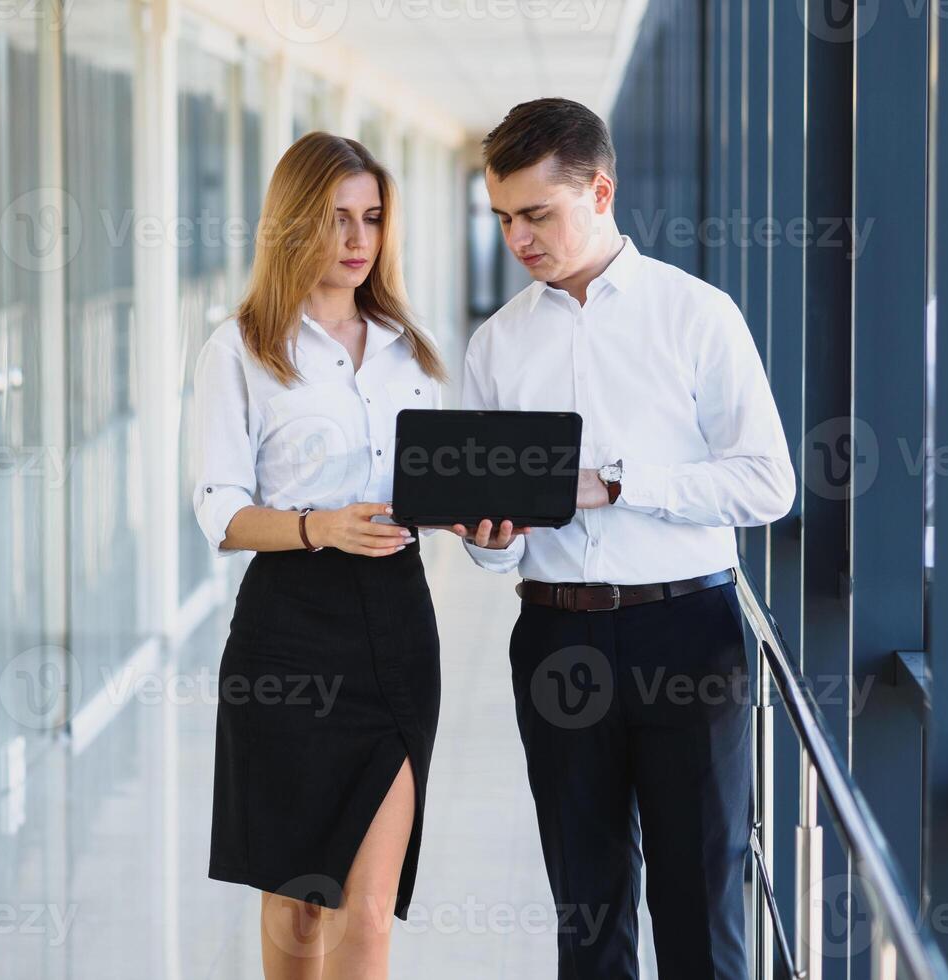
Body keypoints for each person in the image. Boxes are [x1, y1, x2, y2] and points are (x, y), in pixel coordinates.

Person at [452, 98, 795, 980]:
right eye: (503, 218)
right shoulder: (496, 345)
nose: (518, 238)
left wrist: (615, 485)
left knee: (701, 902)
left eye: (537, 213)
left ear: (600, 190)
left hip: (688, 632)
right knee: (586, 906)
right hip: (557, 634)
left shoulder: (697, 315)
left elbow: (768, 482)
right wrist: (488, 536)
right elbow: (497, 546)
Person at [191, 131, 446, 979]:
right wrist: (316, 525)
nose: (357, 239)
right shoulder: (241, 348)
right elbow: (219, 512)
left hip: (398, 628)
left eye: (372, 218)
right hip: (288, 631)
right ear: (293, 224)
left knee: (367, 916)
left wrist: (482, 528)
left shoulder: (414, 352)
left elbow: (434, 486)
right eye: (336, 218)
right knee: (298, 905)